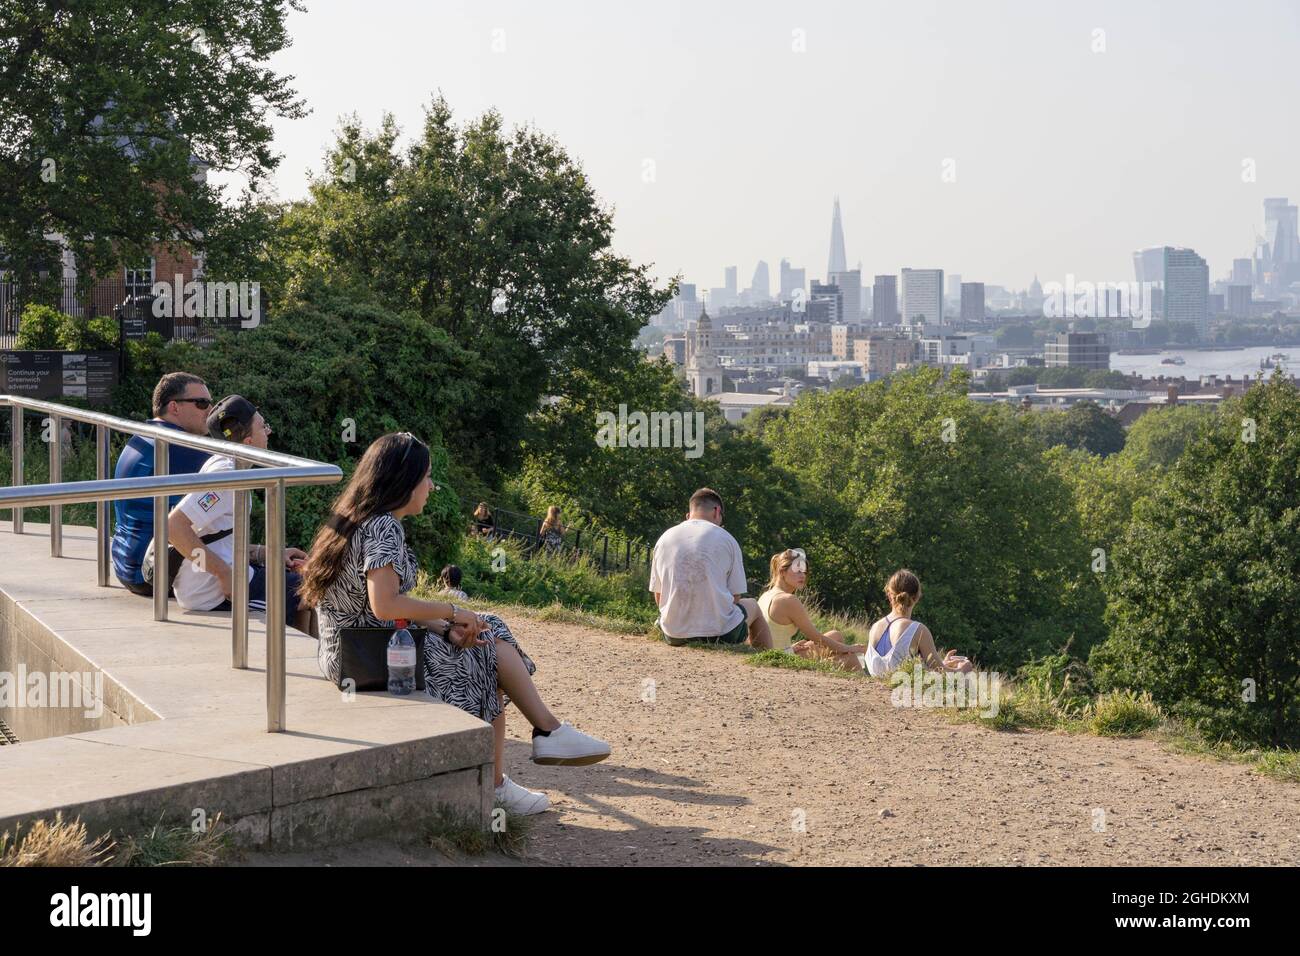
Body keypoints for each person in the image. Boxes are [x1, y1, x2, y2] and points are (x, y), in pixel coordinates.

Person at [298, 433, 611, 816]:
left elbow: (379, 609)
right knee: (486, 654)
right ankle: (518, 763)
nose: (431, 486)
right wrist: (450, 612)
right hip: (371, 657)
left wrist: (447, 628)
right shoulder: (383, 527)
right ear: (403, 480)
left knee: (483, 632)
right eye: (426, 477)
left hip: (352, 652)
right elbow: (385, 605)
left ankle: (539, 741)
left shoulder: (354, 518)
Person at [149, 396, 315, 635]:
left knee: (302, 583)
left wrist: (266, 553)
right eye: (263, 426)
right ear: (248, 441)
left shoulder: (224, 464)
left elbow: (216, 537)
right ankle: (300, 663)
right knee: (307, 590)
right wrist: (223, 574)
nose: (268, 432)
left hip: (218, 578)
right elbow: (173, 527)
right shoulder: (228, 478)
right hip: (211, 594)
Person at [111, 372, 214, 596]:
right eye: (202, 403)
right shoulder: (181, 447)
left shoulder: (143, 437)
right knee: (282, 585)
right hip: (152, 573)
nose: (210, 411)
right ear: (174, 407)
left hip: (126, 563)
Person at [648, 488, 771, 649]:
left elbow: (659, 596)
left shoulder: (664, 539)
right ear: (716, 511)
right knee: (753, 605)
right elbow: (735, 596)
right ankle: (766, 656)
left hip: (674, 634)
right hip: (720, 634)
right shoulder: (727, 539)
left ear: (689, 514)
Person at [855, 569, 973, 677]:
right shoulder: (917, 629)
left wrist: (943, 663)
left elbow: (889, 667)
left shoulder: (875, 627)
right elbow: (941, 673)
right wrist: (962, 670)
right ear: (917, 597)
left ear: (889, 595)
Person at [757, 548, 860, 663]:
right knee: (849, 658)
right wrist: (850, 648)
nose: (802, 576)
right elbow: (816, 637)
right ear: (782, 572)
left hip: (775, 653)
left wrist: (789, 648)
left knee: (835, 635)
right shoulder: (788, 600)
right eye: (798, 571)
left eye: (804, 572)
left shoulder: (765, 595)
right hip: (779, 659)